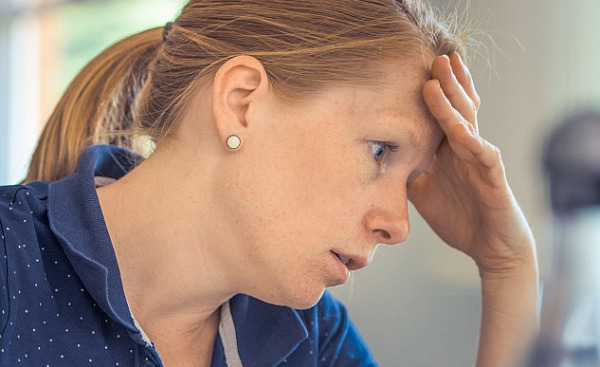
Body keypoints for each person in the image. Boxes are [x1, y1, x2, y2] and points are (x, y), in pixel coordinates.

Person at [1, 0, 539, 366]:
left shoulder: (309, 338)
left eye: (412, 179)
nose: (397, 225)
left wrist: (507, 265)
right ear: (241, 103)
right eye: (380, 151)